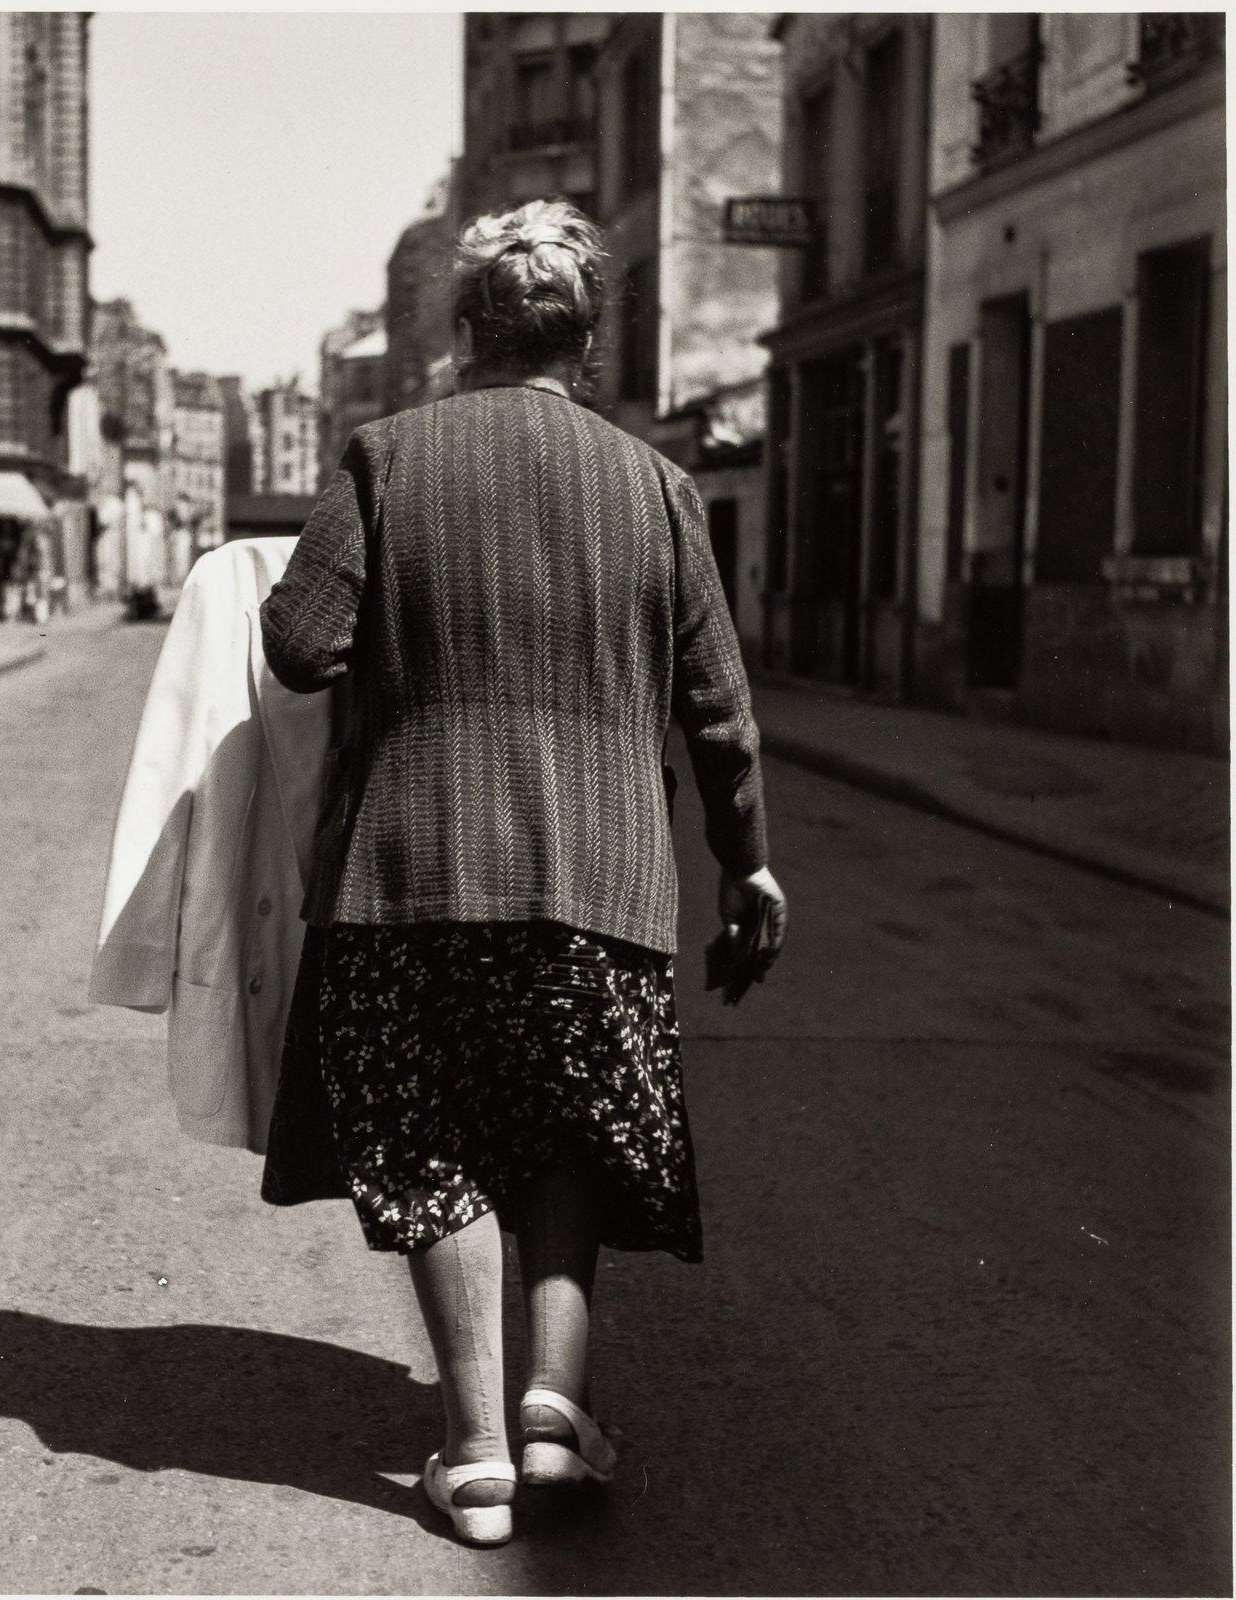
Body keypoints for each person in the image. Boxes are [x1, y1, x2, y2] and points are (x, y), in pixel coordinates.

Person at [258, 198, 787, 1547]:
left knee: (431, 1147)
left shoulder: (385, 455)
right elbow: (719, 707)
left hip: (411, 875)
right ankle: (555, 1410)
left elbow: (303, 648)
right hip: (605, 884)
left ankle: (476, 1456)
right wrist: (750, 868)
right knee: (567, 1143)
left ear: (464, 331)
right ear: (587, 338)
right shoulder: (658, 485)